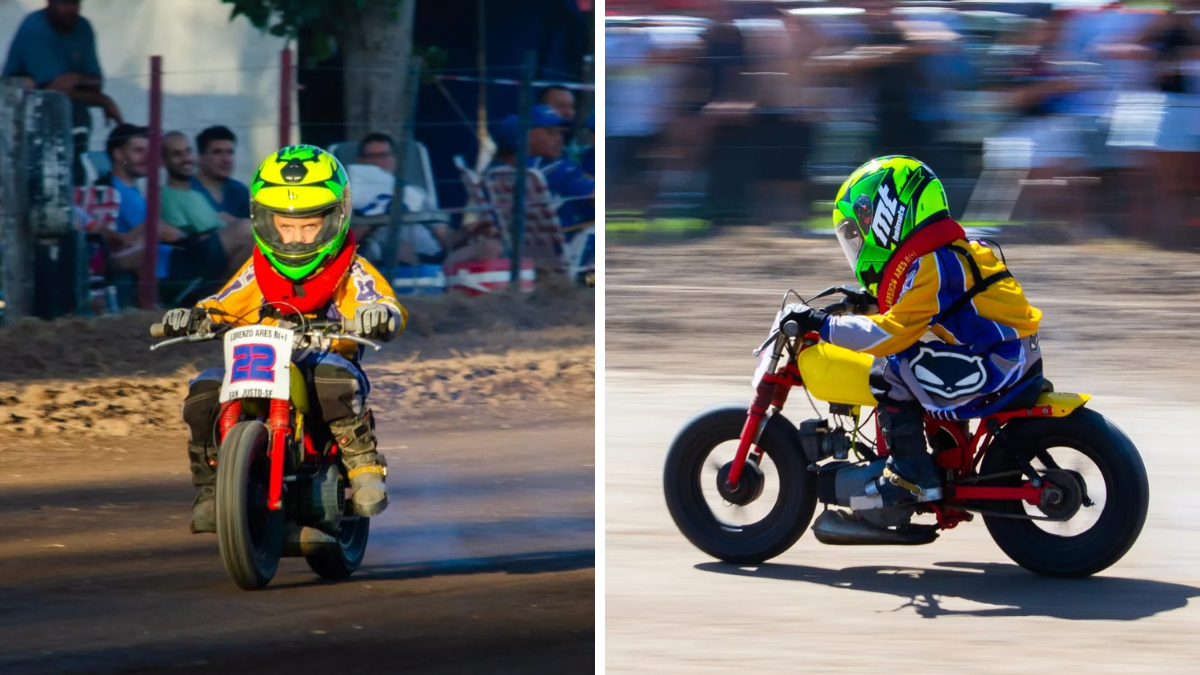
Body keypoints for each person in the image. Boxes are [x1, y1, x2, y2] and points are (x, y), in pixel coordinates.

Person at [158, 145, 407, 533]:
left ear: (336, 217)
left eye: (309, 226)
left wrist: (380, 316)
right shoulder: (259, 268)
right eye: (285, 226)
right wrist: (195, 316)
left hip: (324, 359)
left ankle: (362, 465)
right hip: (260, 357)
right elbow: (227, 302)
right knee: (204, 390)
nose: (295, 238)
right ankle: (211, 488)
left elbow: (381, 301)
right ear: (264, 221)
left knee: (333, 381)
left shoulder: (351, 267)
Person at [780, 156, 1043, 512]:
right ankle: (945, 460)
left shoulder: (932, 265)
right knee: (921, 360)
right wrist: (871, 303)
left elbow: (892, 334)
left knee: (891, 365)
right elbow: (924, 307)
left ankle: (910, 476)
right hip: (1013, 358)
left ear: (890, 212)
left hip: (997, 367)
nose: (858, 244)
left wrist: (822, 325)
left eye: (860, 230)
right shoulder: (953, 252)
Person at [2, 0, 122, 185]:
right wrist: (104, 101)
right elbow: (54, 90)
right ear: (50, 3)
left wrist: (75, 79)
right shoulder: (35, 27)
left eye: (75, 3)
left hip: (67, 115)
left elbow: (96, 81)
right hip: (24, 119)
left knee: (78, 131)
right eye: (64, 3)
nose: (70, 9)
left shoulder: (83, 27)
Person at [160, 131, 255, 279]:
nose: (185, 159)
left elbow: (220, 221)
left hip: (216, 253)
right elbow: (181, 238)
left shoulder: (197, 195)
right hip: (192, 258)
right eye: (177, 154)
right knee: (247, 229)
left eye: (187, 151)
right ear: (164, 161)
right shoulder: (165, 195)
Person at [191, 126, 251, 220]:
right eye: (217, 152)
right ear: (200, 157)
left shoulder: (239, 190)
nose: (226, 159)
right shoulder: (187, 189)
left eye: (230, 152)